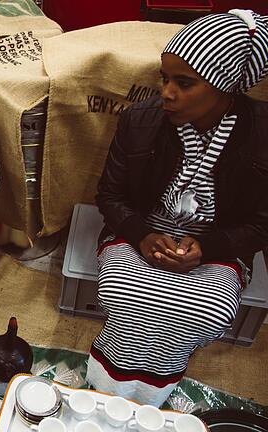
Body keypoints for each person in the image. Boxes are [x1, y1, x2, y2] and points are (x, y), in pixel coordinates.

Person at [88, 10, 268, 406]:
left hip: (216, 246)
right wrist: (142, 234)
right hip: (138, 231)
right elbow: (110, 196)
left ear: (226, 86)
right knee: (121, 292)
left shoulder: (260, 135)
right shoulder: (140, 120)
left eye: (184, 83)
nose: (167, 93)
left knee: (206, 311)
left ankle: (152, 392)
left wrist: (209, 247)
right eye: (164, 79)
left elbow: (261, 225)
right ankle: (109, 386)